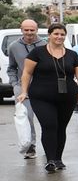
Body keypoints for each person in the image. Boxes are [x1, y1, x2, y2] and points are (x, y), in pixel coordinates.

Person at [15, 22, 78, 173]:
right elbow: (26, 73)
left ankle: (58, 158)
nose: (59, 37)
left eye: (62, 34)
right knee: (49, 125)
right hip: (41, 96)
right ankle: (50, 160)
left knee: (61, 127)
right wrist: (24, 91)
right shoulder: (37, 53)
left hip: (67, 96)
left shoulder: (72, 54)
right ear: (49, 35)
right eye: (56, 34)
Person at [8, 19, 43, 159]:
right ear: (21, 29)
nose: (29, 33)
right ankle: (30, 146)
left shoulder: (45, 45)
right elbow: (11, 67)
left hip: (43, 87)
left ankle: (50, 146)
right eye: (26, 30)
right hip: (23, 89)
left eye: (32, 30)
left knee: (47, 118)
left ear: (37, 30)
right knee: (27, 117)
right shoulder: (14, 46)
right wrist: (15, 83)